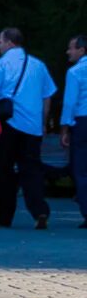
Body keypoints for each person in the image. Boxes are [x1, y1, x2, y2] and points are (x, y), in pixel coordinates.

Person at [0, 28, 56, 230]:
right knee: (32, 170)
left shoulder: (0, 65)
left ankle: (4, 216)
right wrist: (43, 122)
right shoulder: (38, 65)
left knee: (5, 171)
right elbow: (47, 96)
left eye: (0, 41)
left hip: (8, 124)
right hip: (32, 127)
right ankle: (40, 210)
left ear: (9, 42)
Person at [60, 34, 87, 228]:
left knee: (81, 169)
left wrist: (65, 129)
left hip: (82, 121)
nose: (68, 52)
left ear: (81, 50)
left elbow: (69, 102)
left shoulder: (75, 72)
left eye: (71, 48)